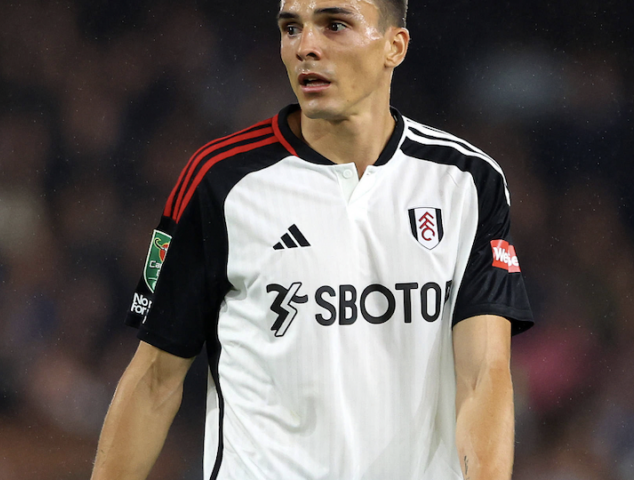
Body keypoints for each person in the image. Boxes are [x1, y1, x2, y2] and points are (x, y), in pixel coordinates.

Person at [90, 0, 533, 479]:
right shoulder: (218, 181)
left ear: (395, 46)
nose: (306, 47)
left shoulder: (467, 182)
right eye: (291, 28)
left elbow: (482, 377)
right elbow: (154, 380)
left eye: (334, 25)